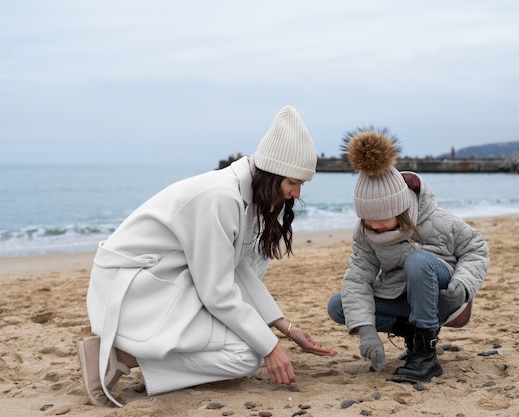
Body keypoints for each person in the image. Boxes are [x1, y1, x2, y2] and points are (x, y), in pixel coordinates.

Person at [77, 105, 337, 408]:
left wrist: (286, 328)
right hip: (135, 288)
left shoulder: (247, 197)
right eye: (293, 182)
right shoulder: (221, 197)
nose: (296, 193)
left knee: (247, 345)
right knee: (246, 353)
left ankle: (126, 356)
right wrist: (271, 349)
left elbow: (239, 270)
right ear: (271, 174)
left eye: (301, 185)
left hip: (167, 281)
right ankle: (116, 356)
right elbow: (217, 291)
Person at [327, 127, 489, 384]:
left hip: (446, 298)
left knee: (417, 261)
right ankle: (414, 337)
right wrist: (366, 331)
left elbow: (476, 248)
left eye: (381, 219)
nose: (374, 226)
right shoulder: (365, 233)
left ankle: (426, 356)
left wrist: (465, 285)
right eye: (367, 220)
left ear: (399, 208)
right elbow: (357, 279)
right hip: (403, 298)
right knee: (338, 305)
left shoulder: (437, 220)